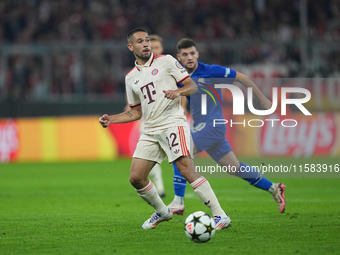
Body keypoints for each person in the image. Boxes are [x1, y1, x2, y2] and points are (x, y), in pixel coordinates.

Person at [99, 29, 231, 230]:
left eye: (147, 40)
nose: (145, 44)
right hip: (150, 129)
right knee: (136, 177)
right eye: (140, 41)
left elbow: (192, 86)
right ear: (130, 47)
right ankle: (162, 212)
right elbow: (135, 113)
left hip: (172, 123)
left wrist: (177, 91)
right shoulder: (130, 78)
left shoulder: (167, 61)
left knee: (187, 169)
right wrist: (112, 119)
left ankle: (220, 215)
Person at [167, 38, 286, 215]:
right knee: (234, 167)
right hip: (205, 128)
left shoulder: (211, 71)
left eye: (192, 53)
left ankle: (178, 202)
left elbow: (243, 78)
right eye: (185, 55)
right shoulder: (180, 77)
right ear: (179, 57)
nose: (190, 57)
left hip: (212, 126)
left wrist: (262, 98)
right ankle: (274, 188)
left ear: (197, 54)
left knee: (180, 152)